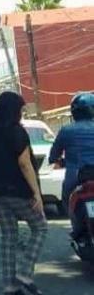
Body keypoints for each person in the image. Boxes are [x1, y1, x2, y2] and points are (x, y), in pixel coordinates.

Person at [0, 91, 47, 295]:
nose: (22, 113)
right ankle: (25, 273)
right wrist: (37, 194)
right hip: (16, 190)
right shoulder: (15, 132)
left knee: (9, 235)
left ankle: (9, 285)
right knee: (41, 226)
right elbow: (25, 164)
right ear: (13, 110)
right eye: (20, 109)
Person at [48, 92, 94, 237]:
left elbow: (53, 156)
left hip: (75, 178)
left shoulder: (66, 131)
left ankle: (76, 228)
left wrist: (60, 161)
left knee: (67, 200)